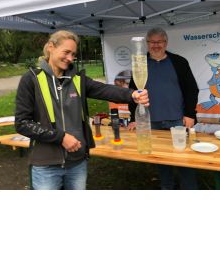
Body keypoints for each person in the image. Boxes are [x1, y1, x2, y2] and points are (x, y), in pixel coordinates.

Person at [15, 30, 149, 190]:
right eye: (66, 52)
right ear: (51, 47)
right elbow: (22, 123)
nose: (70, 58)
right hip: (46, 165)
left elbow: (104, 90)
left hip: (77, 163)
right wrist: (61, 137)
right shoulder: (31, 79)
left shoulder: (77, 79)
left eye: (73, 54)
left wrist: (131, 94)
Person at [128, 27, 199, 190]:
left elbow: (191, 90)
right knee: (161, 160)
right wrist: (133, 119)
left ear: (165, 43)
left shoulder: (179, 62)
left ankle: (190, 189)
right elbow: (132, 93)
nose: (156, 45)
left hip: (177, 120)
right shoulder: (140, 64)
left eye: (159, 41)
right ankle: (167, 188)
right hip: (151, 121)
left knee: (184, 159)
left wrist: (189, 114)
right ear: (147, 43)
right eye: (152, 42)